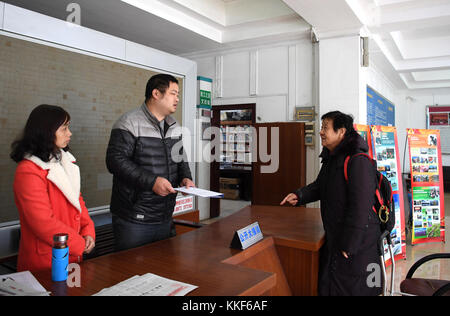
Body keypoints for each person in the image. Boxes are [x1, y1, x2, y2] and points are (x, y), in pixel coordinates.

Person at [281, 111, 382, 296]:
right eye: (321, 127)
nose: (321, 132)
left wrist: (350, 243)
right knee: (333, 284)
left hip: (357, 243)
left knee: (354, 287)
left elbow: (360, 208)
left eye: (325, 128)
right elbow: (320, 186)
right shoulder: (331, 158)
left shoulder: (358, 162)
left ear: (341, 132)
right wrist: (300, 195)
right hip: (337, 236)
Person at [106, 74, 194, 251]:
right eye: (173, 93)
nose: (177, 99)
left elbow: (180, 157)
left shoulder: (173, 125)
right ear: (156, 93)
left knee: (164, 269)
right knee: (132, 271)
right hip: (134, 217)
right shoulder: (129, 123)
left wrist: (186, 177)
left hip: (164, 214)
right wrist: (152, 182)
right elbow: (115, 161)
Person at [11, 104, 95, 272]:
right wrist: (79, 243)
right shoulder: (29, 170)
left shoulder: (64, 162)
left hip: (71, 253)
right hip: (44, 259)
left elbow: (78, 202)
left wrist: (88, 231)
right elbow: (42, 222)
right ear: (46, 131)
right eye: (64, 128)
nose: (69, 133)